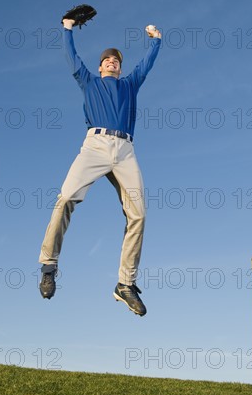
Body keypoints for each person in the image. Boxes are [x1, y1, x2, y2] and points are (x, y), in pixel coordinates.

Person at [38, 17, 162, 316]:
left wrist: (156, 40)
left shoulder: (130, 85)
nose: (112, 62)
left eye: (116, 60)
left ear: (120, 67)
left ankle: (125, 284)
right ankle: (48, 264)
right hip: (94, 146)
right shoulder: (89, 81)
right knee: (66, 197)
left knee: (139, 215)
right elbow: (72, 57)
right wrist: (67, 28)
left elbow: (146, 64)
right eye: (107, 59)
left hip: (125, 150)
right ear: (100, 67)